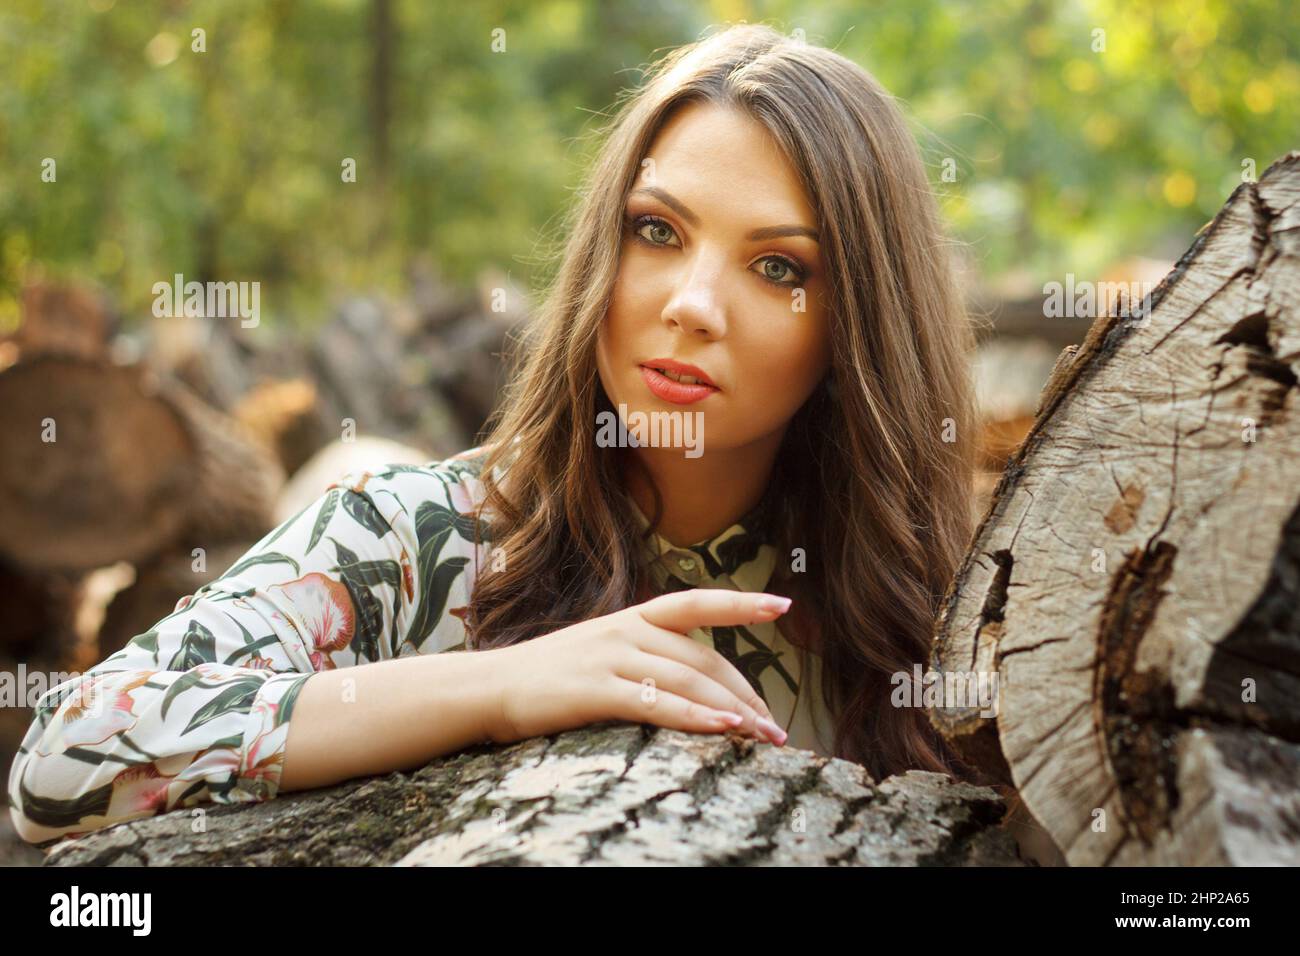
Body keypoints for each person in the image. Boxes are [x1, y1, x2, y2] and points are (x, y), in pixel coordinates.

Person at [7, 22, 978, 846]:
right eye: (657, 231)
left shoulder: (947, 617)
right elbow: (66, 755)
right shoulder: (421, 539)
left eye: (777, 267)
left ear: (858, 318)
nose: (691, 303)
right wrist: (498, 684)